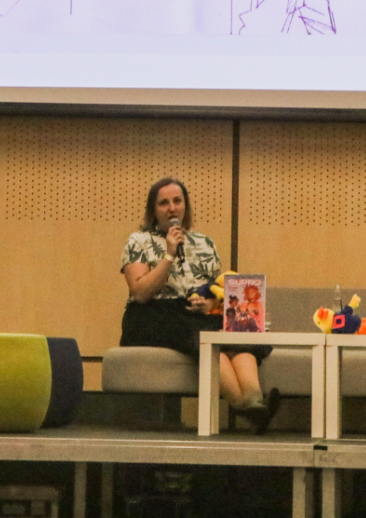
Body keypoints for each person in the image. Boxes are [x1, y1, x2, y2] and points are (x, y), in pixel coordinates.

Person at [120, 177, 281, 432]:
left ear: (186, 206)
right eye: (164, 203)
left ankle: (255, 402)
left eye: (177, 201)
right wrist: (169, 254)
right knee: (204, 338)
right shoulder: (138, 241)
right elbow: (140, 293)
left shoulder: (205, 244)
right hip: (153, 314)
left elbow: (216, 291)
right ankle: (243, 406)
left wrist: (209, 304)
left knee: (239, 333)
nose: (172, 208)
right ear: (153, 210)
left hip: (196, 314)